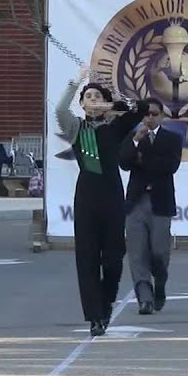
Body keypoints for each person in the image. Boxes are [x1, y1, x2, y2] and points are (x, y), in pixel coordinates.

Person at [54, 65, 147, 336]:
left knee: (114, 259)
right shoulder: (76, 127)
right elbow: (60, 109)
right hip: (86, 198)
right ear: (82, 104)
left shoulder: (115, 127)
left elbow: (141, 109)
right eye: (88, 97)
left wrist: (114, 101)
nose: (93, 100)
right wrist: (77, 80)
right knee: (87, 259)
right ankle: (95, 316)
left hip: (112, 196)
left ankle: (106, 304)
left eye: (97, 96)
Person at [118, 97, 183, 315]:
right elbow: (124, 162)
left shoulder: (172, 138)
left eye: (154, 114)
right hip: (136, 201)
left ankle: (160, 282)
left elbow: (170, 166)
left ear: (162, 116)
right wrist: (136, 143)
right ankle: (144, 298)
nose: (150, 118)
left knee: (159, 251)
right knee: (137, 252)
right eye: (146, 114)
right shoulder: (132, 136)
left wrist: (142, 159)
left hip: (160, 201)